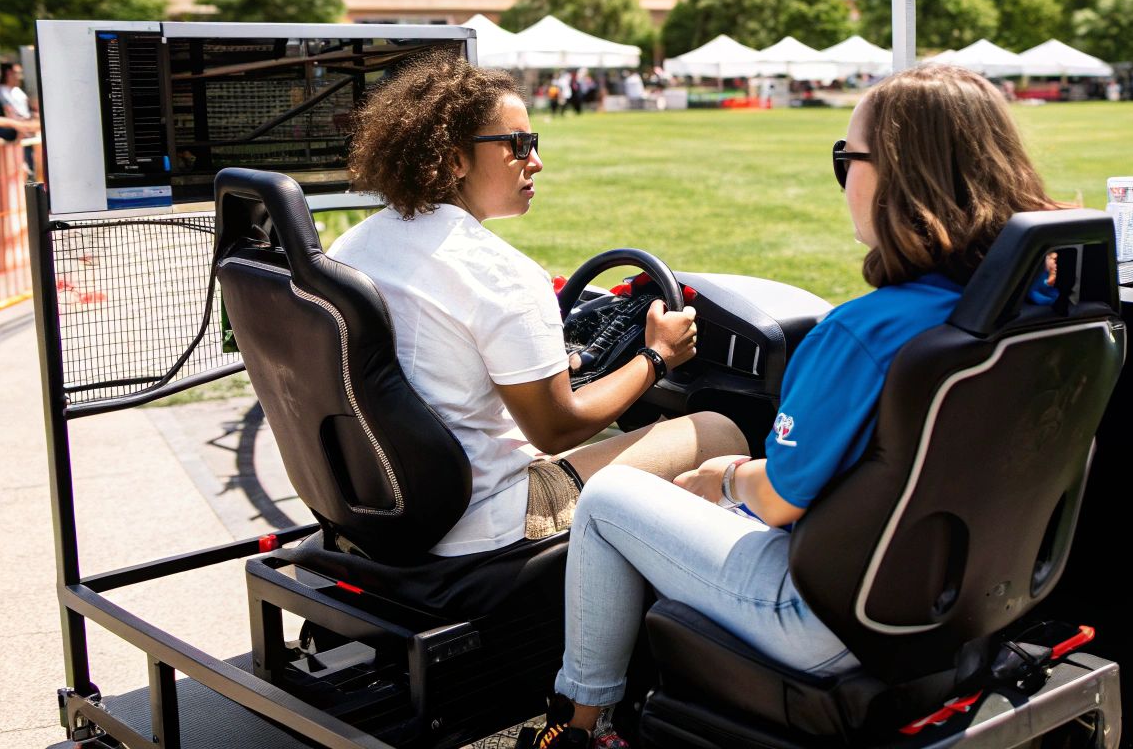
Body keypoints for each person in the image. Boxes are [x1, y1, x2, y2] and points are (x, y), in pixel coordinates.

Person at [531, 64, 1061, 749]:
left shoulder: (862, 334)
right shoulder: (1043, 304)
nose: (843, 179)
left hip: (827, 618)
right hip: (970, 597)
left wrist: (721, 478)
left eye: (847, 159)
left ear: (898, 176)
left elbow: (781, 500)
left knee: (609, 499)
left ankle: (580, 727)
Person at [328, 52, 747, 558]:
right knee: (715, 432)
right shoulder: (500, 272)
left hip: (381, 505)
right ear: (455, 159)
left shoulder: (352, 246)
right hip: (479, 518)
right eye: (518, 145)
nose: (536, 161)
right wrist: (657, 356)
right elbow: (557, 429)